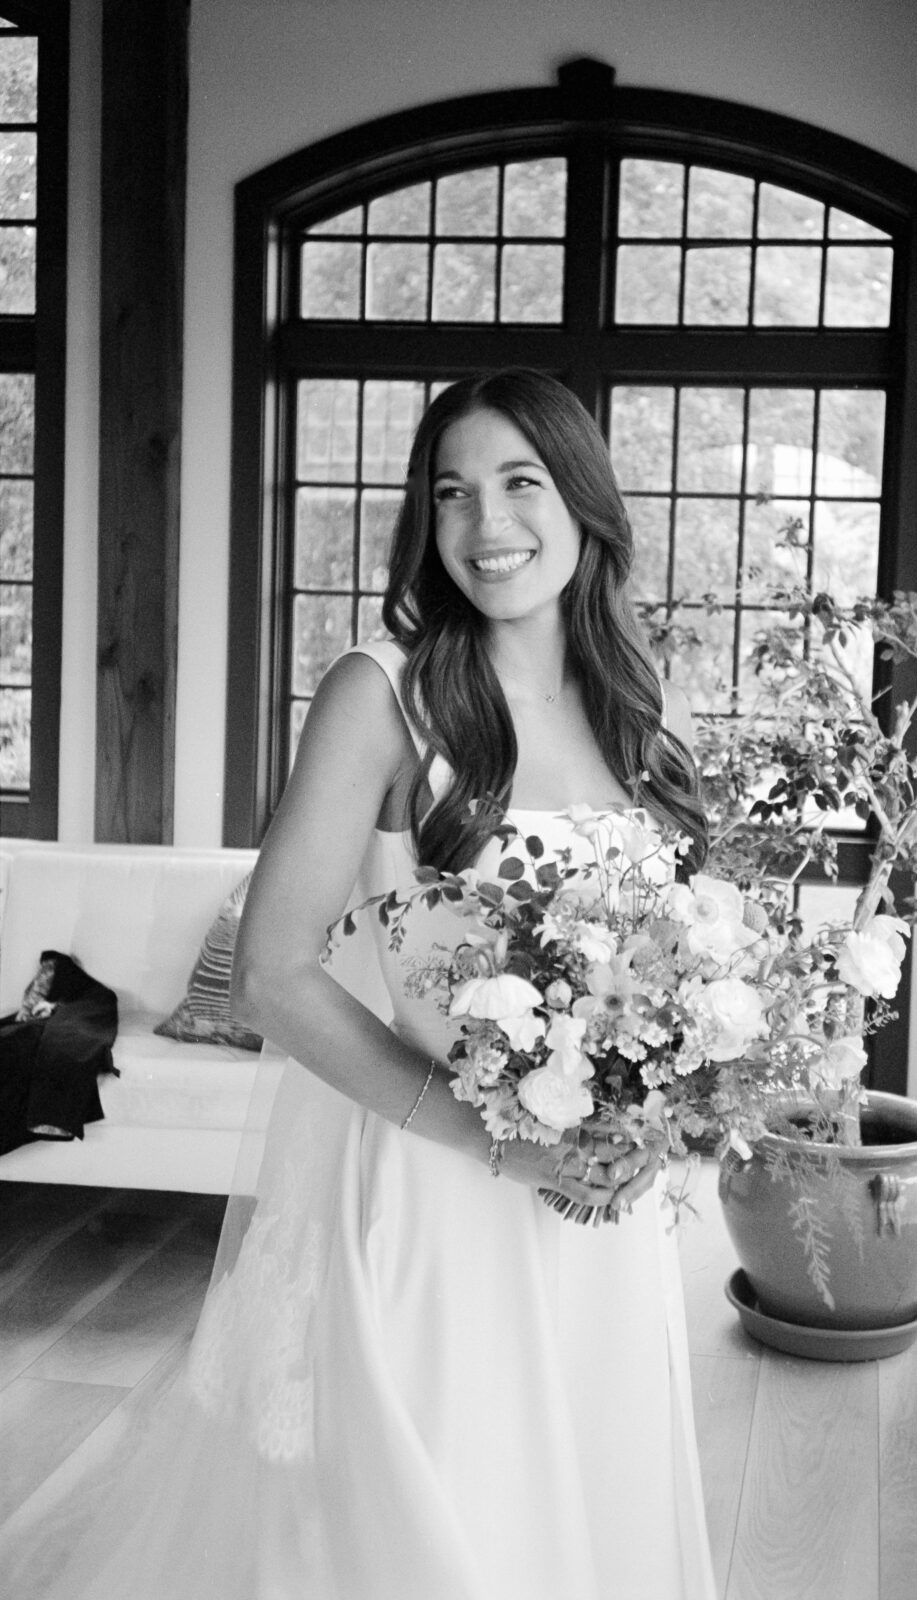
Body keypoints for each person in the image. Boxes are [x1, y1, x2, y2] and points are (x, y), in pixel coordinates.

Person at [3, 369, 716, 1599]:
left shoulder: (642, 709)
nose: (485, 523)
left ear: (584, 503)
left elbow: (679, 972)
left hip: (603, 1210)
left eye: (519, 483)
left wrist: (655, 1120)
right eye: (451, 492)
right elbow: (274, 975)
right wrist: (504, 1148)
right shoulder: (383, 693)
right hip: (439, 1186)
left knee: (591, 1508)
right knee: (438, 1526)